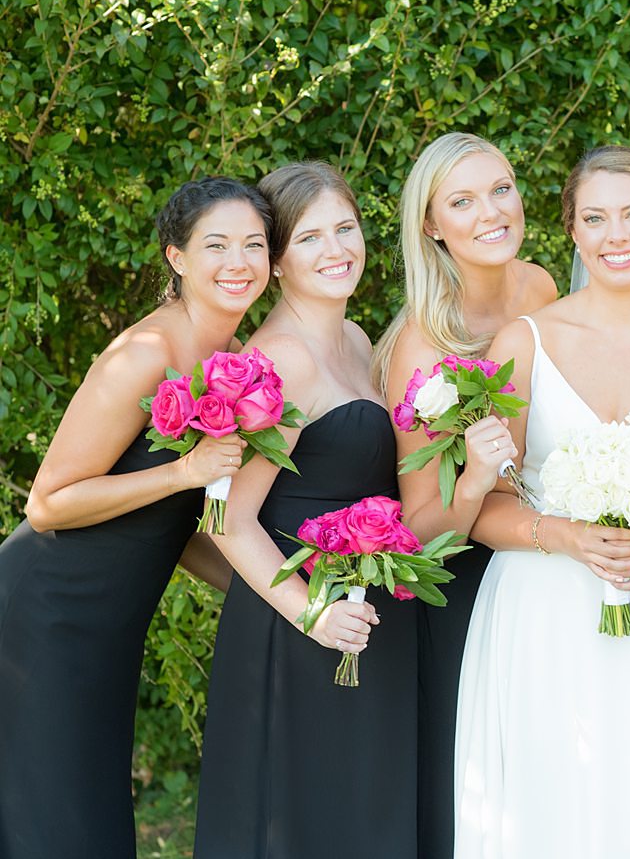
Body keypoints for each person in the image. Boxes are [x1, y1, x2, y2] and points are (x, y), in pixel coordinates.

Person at [454, 145, 630, 858]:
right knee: (544, 812)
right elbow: (485, 507)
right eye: (596, 218)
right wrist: (563, 534)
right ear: (573, 232)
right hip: (539, 615)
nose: (618, 235)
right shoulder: (523, 343)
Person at [0, 177, 269, 859]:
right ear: (176, 256)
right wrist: (184, 470)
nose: (238, 261)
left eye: (254, 244)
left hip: (109, 628)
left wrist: (278, 596)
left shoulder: (236, 366)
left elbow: (174, 526)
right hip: (44, 616)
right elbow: (48, 500)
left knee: (84, 814)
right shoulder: (145, 355)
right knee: (56, 826)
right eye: (216, 244)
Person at [194, 162, 417, 856]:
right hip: (300, 631)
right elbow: (223, 515)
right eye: (311, 237)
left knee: (359, 815)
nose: (336, 249)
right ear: (280, 260)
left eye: (345, 228)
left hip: (363, 614)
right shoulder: (280, 357)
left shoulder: (353, 341)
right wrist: (312, 612)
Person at [371, 132, 556, 858]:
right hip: (468, 591)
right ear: (430, 224)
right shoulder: (423, 345)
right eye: (463, 200)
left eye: (502, 188)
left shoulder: (541, 286)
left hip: (554, 557)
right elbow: (422, 530)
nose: (491, 211)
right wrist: (477, 478)